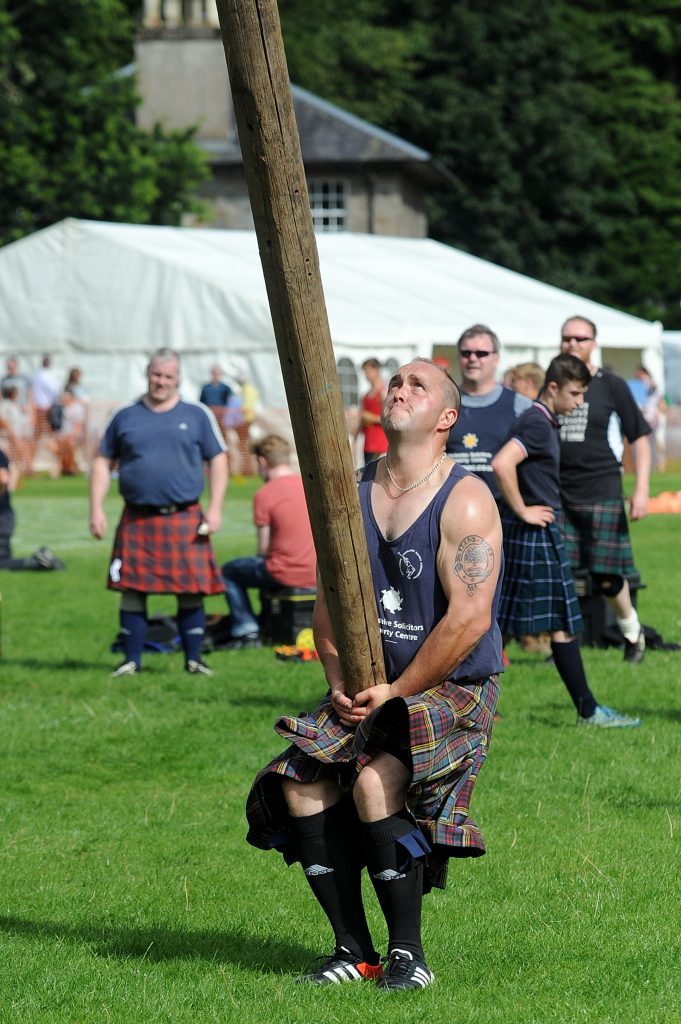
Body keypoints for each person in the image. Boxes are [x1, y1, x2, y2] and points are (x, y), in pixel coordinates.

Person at [246, 358, 504, 991]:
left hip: (450, 685)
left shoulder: (465, 499)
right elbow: (328, 599)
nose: (400, 389)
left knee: (372, 781)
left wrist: (396, 692)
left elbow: (469, 618)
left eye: (418, 385)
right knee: (297, 784)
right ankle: (351, 950)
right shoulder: (353, 492)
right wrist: (337, 679)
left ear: (446, 417)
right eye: (396, 382)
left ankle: (408, 955)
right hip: (367, 683)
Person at [492, 355, 641, 728]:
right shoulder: (537, 423)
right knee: (554, 620)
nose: (579, 402)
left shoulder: (540, 419)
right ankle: (589, 711)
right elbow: (501, 463)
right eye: (575, 394)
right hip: (534, 531)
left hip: (533, 531)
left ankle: (462, 702)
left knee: (501, 622)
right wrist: (524, 509)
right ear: (553, 387)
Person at [89, 348, 228, 677]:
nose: (161, 382)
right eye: (156, 375)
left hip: (185, 516)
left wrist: (216, 507)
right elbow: (102, 461)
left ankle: (194, 660)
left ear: (178, 378)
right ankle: (131, 661)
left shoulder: (197, 414)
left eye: (167, 376)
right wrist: (96, 507)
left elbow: (218, 459)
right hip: (137, 516)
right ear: (147, 374)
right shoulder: (125, 416)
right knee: (132, 589)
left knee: (191, 590)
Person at [558, 317, 650, 661]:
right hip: (559, 493)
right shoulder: (552, 385)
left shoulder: (610, 384)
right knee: (560, 572)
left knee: (607, 576)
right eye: (566, 337)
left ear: (593, 342)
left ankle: (632, 633)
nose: (572, 343)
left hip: (602, 489)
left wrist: (641, 489)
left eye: (580, 338)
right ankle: (562, 642)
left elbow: (639, 437)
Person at [221, 434, 316, 647]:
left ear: (262, 461)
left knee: (228, 572)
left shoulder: (264, 494)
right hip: (316, 572)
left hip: (284, 572)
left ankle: (247, 629)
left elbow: (263, 549)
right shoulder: (309, 485)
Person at [446, 324, 532, 501]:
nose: (472, 358)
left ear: (496, 358)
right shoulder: (442, 402)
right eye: (466, 353)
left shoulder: (520, 405)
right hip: (449, 507)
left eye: (481, 353)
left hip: (503, 512)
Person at [0, 447, 64, 570]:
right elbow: (13, 470)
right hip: (5, 515)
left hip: (2, 516)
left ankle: (39, 562)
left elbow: (3, 478)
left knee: (2, 561)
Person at [360, 358, 389, 462]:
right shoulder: (366, 395)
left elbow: (389, 419)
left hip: (380, 445)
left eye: (368, 371)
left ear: (376, 370)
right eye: (365, 371)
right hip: (367, 444)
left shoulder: (383, 393)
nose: (366, 375)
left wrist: (370, 417)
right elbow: (362, 422)